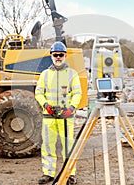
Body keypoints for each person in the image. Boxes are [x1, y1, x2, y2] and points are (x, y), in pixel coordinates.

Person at [35, 41, 82, 184]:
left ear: (65, 55)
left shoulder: (72, 74)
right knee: (48, 146)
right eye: (55, 55)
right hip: (49, 117)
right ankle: (48, 173)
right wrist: (46, 105)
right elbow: (38, 92)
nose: (58, 57)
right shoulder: (45, 74)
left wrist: (71, 108)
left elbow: (77, 93)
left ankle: (70, 174)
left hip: (66, 117)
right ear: (51, 56)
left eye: (61, 55)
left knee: (68, 146)